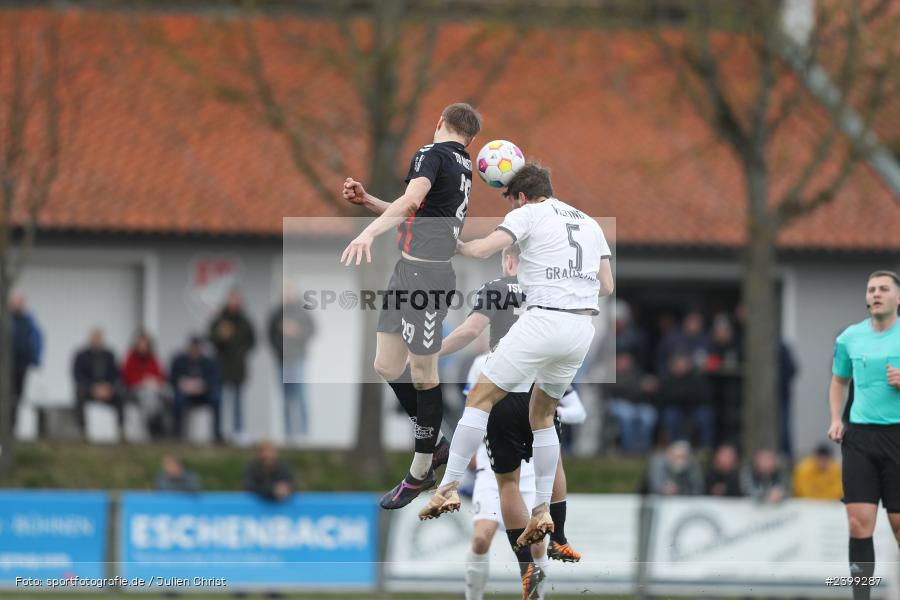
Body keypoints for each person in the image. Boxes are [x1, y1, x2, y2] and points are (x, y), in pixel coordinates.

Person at [419, 164, 614, 555]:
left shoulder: (527, 213)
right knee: (542, 416)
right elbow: (607, 286)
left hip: (542, 319)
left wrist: (453, 243)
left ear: (521, 196)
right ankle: (542, 508)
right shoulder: (590, 223)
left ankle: (449, 486)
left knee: (479, 399)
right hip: (580, 330)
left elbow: (482, 249)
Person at [340, 102, 482, 509]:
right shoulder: (461, 165)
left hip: (428, 279)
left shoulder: (431, 154)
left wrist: (367, 233)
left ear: (439, 121)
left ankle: (421, 470)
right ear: (470, 137)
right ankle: (436, 442)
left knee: (423, 372)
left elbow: (409, 202)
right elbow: (414, 213)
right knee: (386, 365)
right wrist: (368, 201)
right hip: (408, 273)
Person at [438, 244, 584, 598]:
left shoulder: (499, 290)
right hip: (529, 408)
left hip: (514, 405)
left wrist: (428, 355)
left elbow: (471, 331)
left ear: (509, 260)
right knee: (483, 536)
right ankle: (546, 551)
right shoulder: (556, 296)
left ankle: (533, 581)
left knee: (527, 525)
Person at [828, 270, 900, 600]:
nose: (876, 294)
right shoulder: (849, 338)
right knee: (858, 525)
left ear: (898, 298)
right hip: (860, 438)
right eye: (871, 289)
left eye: (884, 289)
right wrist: (835, 418)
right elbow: (839, 380)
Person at [268, 284, 316, 439]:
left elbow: (312, 330)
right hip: (282, 360)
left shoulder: (302, 312)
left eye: (289, 292)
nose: (286, 295)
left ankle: (303, 432)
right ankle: (288, 433)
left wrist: (296, 331)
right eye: (283, 293)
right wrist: (278, 350)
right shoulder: (276, 313)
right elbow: (270, 335)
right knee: (285, 396)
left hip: (297, 359)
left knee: (300, 394)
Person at [209, 290, 256, 442]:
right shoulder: (219, 319)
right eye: (231, 299)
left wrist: (242, 352)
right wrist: (220, 337)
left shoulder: (245, 321)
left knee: (237, 401)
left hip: (238, 367)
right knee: (220, 400)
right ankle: (219, 432)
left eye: (236, 300)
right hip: (221, 366)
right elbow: (210, 338)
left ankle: (238, 431)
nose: (233, 303)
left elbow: (253, 341)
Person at [170, 336, 222, 443]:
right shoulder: (179, 361)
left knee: (216, 399)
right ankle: (178, 433)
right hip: (185, 393)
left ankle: (217, 434)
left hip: (203, 394)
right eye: (192, 347)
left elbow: (215, 379)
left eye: (197, 348)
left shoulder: (208, 362)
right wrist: (183, 383)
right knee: (177, 400)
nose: (194, 350)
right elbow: (172, 378)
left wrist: (203, 385)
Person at [658, 351, 715, 449]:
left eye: (684, 365)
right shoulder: (668, 379)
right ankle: (675, 447)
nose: (681, 367)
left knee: (706, 414)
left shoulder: (696, 378)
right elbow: (665, 397)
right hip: (675, 408)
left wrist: (683, 396)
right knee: (671, 415)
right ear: (673, 366)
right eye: (678, 365)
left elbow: (704, 396)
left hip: (694, 408)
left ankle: (706, 447)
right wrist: (684, 396)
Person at [605, 351, 659, 453]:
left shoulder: (635, 373)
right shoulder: (609, 374)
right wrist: (640, 387)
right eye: (622, 360)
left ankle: (643, 448)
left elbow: (643, 386)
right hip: (616, 403)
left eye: (627, 360)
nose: (625, 362)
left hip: (636, 404)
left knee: (649, 414)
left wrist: (648, 386)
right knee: (628, 415)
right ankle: (630, 449)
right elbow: (618, 387)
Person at [73, 327, 124, 434]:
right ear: (90, 338)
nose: (96, 340)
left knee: (121, 393)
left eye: (99, 337)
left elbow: (116, 374)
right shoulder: (81, 355)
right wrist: (93, 387)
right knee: (79, 392)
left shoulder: (110, 355)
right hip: (89, 389)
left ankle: (121, 429)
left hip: (107, 390)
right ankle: (82, 429)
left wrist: (108, 387)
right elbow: (78, 376)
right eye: (94, 337)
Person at [121, 331, 168, 437]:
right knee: (148, 398)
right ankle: (152, 426)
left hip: (152, 390)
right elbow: (127, 376)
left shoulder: (153, 358)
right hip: (135, 390)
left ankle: (156, 424)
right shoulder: (130, 358)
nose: (142, 347)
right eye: (140, 344)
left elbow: (160, 375)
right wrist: (142, 382)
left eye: (145, 344)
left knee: (163, 394)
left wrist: (152, 381)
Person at [9, 291, 42, 430]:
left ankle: (12, 427)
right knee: (5, 394)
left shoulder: (29, 320)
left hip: (22, 364)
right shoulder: (5, 319)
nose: (17, 305)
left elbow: (38, 339)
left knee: (17, 396)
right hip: (5, 365)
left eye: (20, 302)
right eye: (15, 302)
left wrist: (36, 357)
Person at [639, 441, 705, 496]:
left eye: (684, 457)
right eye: (678, 456)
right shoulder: (658, 462)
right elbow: (655, 485)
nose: (680, 460)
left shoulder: (691, 465)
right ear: (670, 454)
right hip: (652, 499)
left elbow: (697, 488)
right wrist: (665, 489)